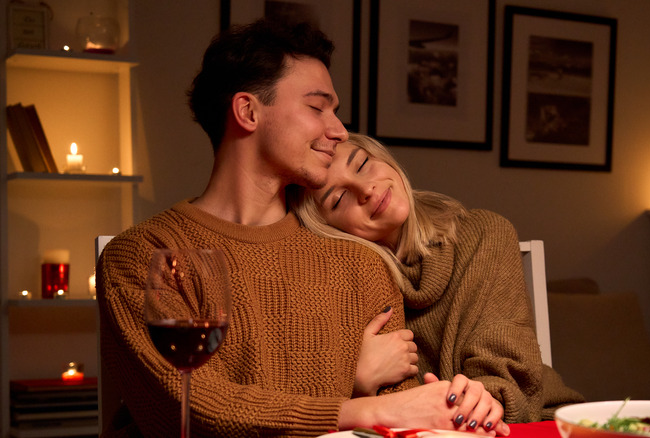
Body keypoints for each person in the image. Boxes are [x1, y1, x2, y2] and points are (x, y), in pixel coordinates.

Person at [96, 19, 509, 437]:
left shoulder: (359, 261)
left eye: (336, 111)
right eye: (317, 107)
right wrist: (355, 390)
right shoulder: (145, 254)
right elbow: (181, 408)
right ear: (248, 112)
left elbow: (401, 411)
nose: (339, 131)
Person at [289, 133, 585, 423]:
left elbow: (508, 376)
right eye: (339, 199)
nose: (366, 189)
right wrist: (357, 379)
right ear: (326, 226)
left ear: (383, 157)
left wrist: (478, 403)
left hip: (528, 419)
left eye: (363, 164)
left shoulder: (484, 234)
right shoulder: (338, 281)